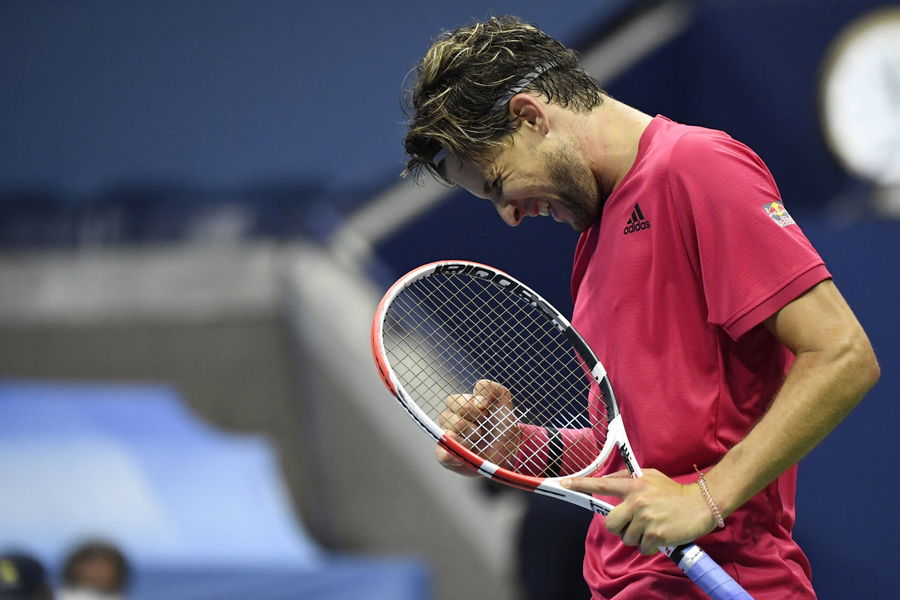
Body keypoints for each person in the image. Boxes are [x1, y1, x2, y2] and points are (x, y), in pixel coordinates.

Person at [401, 15, 880, 600]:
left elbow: (843, 354)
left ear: (530, 117)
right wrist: (519, 445)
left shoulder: (696, 167)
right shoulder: (592, 240)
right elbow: (635, 461)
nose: (509, 215)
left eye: (499, 184)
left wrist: (706, 498)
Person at [57, 541, 130, 600]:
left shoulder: (118, 597)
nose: (99, 572)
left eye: (104, 566)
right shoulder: (59, 596)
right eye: (93, 564)